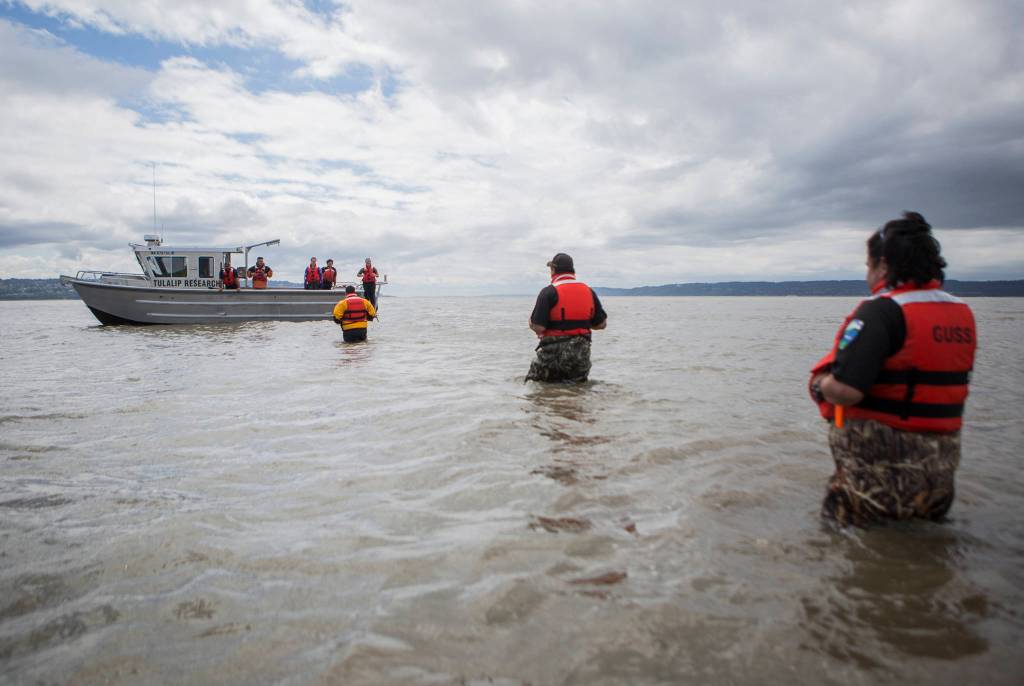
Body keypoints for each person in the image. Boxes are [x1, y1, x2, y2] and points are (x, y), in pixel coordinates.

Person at [809, 212, 977, 527]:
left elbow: (847, 390)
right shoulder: (960, 312)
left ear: (884, 266)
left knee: (845, 550)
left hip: (880, 474)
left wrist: (821, 384)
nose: (867, 275)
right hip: (939, 468)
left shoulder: (883, 312)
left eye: (868, 267)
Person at [526, 252, 608, 382]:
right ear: (572, 270)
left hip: (552, 356)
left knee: (536, 390)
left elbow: (539, 327)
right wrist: (580, 324)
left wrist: (530, 322)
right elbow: (602, 324)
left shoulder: (548, 292)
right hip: (581, 355)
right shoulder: (589, 291)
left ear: (553, 270)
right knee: (577, 392)